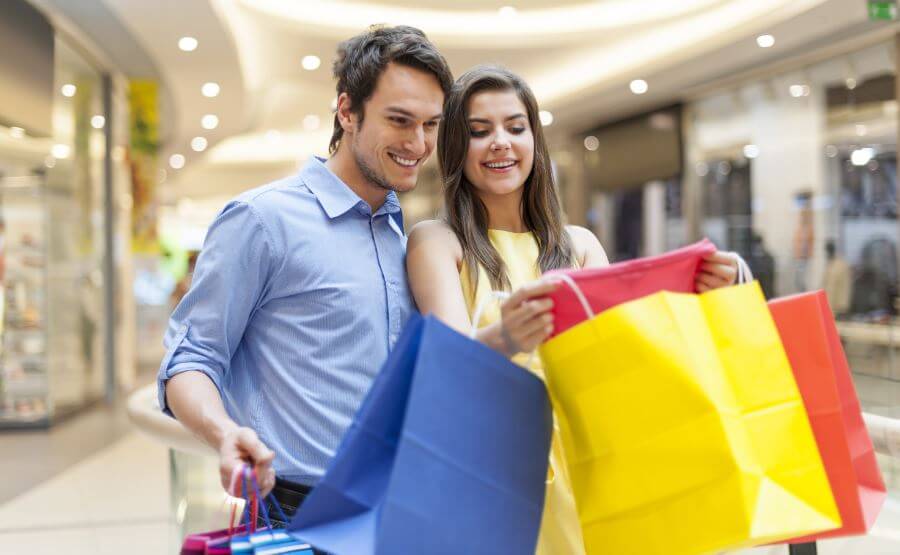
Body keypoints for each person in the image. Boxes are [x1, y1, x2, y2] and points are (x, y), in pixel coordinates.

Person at [406, 65, 740, 554]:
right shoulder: (436, 241)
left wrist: (699, 296)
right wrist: (509, 337)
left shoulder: (577, 245)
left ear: (535, 142)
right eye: (480, 132)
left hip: (586, 465)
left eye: (515, 128)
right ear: (457, 147)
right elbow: (448, 362)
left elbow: (624, 358)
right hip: (491, 469)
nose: (500, 142)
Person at [157, 25, 454, 527]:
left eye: (431, 124)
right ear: (346, 111)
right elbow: (192, 356)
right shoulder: (261, 220)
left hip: (394, 511)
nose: (419, 143)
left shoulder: (399, 233)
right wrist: (224, 433)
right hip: (295, 515)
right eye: (400, 121)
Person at [822, 239, 851, 315]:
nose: (828, 253)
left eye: (830, 250)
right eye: (827, 250)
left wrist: (843, 306)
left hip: (839, 308)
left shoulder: (842, 265)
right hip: (828, 306)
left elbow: (846, 287)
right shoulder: (829, 265)